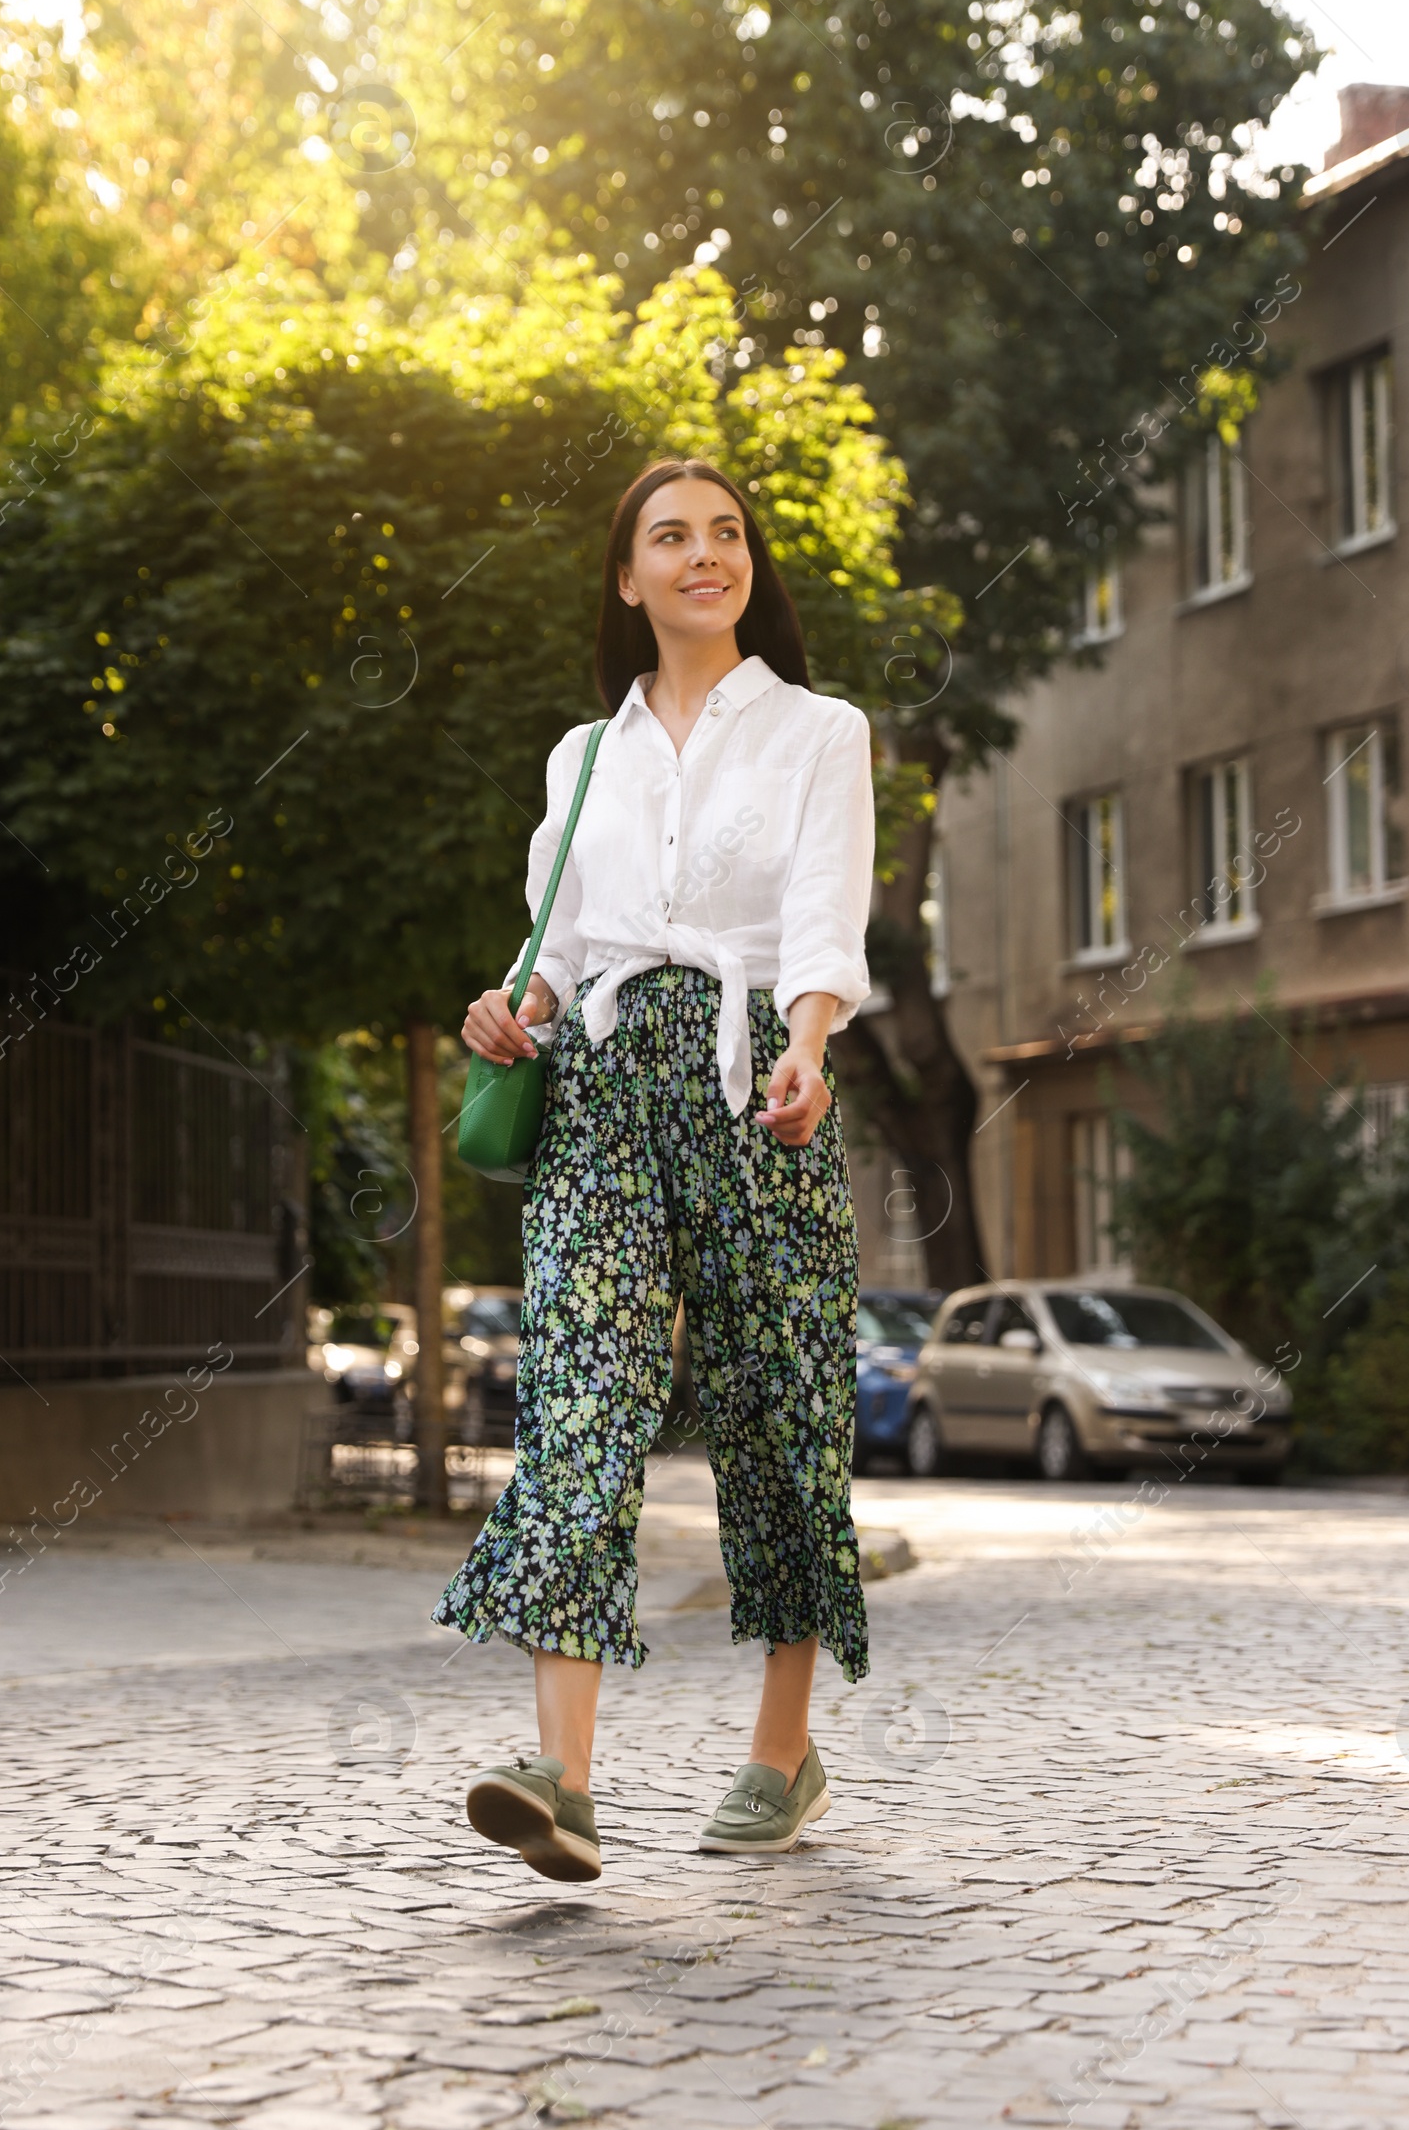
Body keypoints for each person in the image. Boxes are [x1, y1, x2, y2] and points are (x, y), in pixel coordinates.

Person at [435, 456, 874, 1881]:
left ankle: (781, 1751)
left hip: (758, 1087)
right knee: (577, 1399)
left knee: (777, 1410)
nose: (705, 555)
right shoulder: (586, 755)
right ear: (627, 578)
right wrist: (517, 1010)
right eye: (671, 538)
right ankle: (560, 1777)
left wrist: (808, 1050)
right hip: (604, 1098)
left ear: (750, 565)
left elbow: (821, 920)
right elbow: (557, 950)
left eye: (727, 534)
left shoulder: (819, 732)